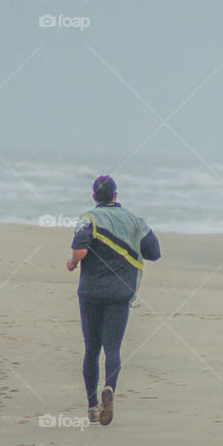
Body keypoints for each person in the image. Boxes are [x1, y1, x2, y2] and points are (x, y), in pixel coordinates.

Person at [67, 175, 161, 425]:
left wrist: (73, 262)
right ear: (116, 196)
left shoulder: (88, 219)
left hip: (91, 293)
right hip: (120, 294)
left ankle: (92, 406)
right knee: (112, 348)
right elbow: (154, 253)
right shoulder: (135, 221)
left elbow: (80, 250)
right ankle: (109, 388)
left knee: (91, 349)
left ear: (94, 197)